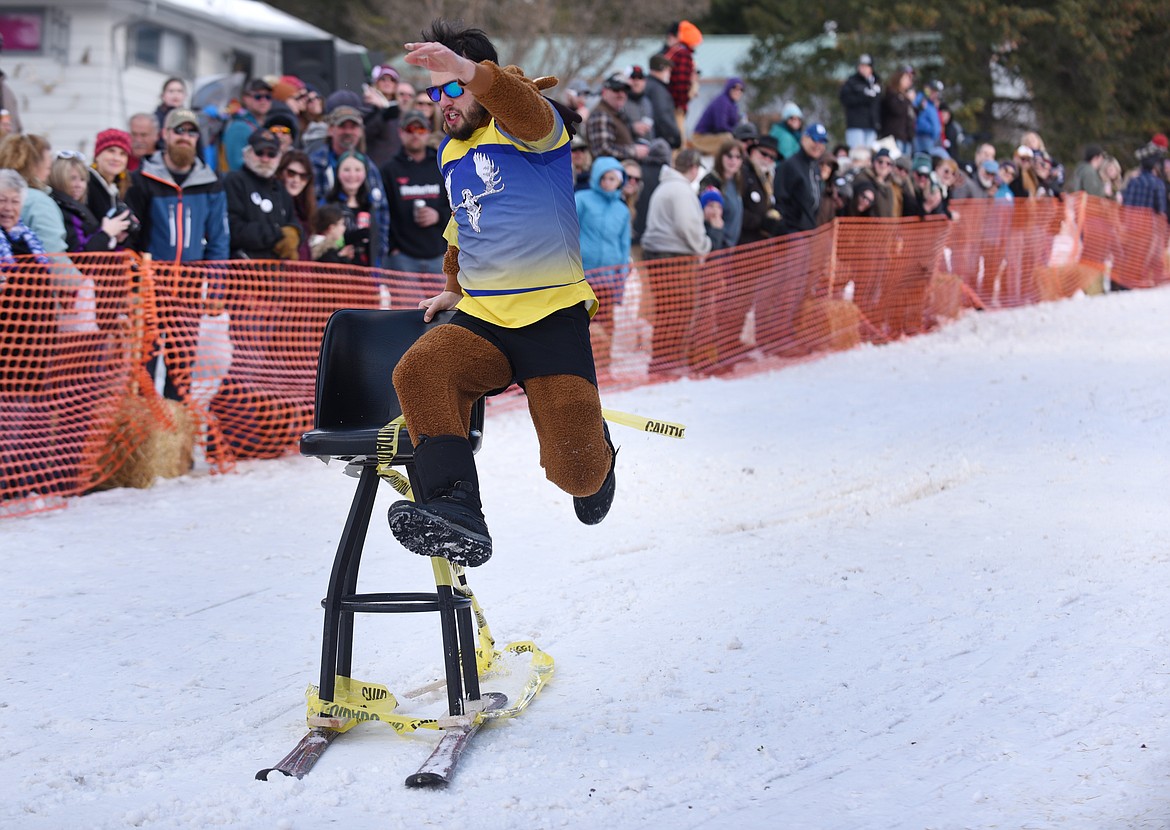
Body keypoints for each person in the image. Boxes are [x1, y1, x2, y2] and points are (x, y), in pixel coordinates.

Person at [383, 19, 615, 568]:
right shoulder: (449, 153)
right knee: (420, 370)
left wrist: (468, 70)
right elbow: (462, 227)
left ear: (478, 78)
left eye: (452, 87)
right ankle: (456, 508)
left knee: (576, 473)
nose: (442, 101)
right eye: (434, 92)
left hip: (551, 313)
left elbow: (521, 105)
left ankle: (595, 449)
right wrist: (451, 289)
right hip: (485, 315)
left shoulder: (532, 127)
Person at [126, 108, 229, 264]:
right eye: (179, 130)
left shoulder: (210, 183)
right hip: (151, 279)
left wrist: (215, 284)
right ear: (165, 134)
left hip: (192, 281)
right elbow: (131, 235)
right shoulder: (143, 178)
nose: (185, 137)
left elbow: (219, 240)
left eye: (192, 132)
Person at [640, 147, 710, 373]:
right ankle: (666, 362)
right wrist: (703, 247)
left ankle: (663, 361)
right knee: (678, 310)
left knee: (667, 310)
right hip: (674, 258)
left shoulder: (666, 186)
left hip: (660, 255)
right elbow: (686, 225)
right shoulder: (681, 190)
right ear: (693, 168)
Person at [308, 102, 391, 255]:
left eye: (353, 127)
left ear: (360, 131)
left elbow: (381, 211)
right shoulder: (315, 163)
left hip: (367, 257)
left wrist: (380, 250)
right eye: (342, 126)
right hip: (327, 254)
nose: (348, 131)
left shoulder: (369, 167)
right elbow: (312, 211)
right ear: (330, 130)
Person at [575, 155, 632, 371]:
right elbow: (569, 230)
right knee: (582, 321)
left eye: (614, 179)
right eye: (605, 178)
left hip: (608, 278)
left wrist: (621, 278)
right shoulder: (582, 199)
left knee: (607, 322)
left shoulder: (622, 210)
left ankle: (604, 364)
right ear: (598, 177)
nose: (609, 183)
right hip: (583, 276)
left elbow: (624, 244)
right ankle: (580, 365)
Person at [381, 110, 450, 276]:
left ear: (427, 133)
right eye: (410, 130)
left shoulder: (441, 165)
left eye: (420, 130)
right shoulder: (389, 169)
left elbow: (458, 204)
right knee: (407, 304)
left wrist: (438, 216)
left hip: (439, 254)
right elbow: (383, 212)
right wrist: (392, 249)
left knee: (444, 303)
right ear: (400, 133)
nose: (415, 135)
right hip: (403, 258)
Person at [223, 129, 299, 260]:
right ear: (247, 153)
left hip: (276, 273)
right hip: (242, 271)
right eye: (259, 153)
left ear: (279, 157)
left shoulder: (280, 188)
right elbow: (233, 228)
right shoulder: (234, 182)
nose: (265, 159)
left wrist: (296, 234)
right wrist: (277, 235)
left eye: (271, 154)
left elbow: (293, 222)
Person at [48, 154, 131, 252]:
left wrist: (116, 239)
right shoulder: (62, 211)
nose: (79, 185)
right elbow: (79, 254)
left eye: (82, 179)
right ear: (58, 179)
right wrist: (106, 234)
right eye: (72, 178)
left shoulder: (78, 208)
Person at [0, 134, 67, 253]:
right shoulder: (38, 202)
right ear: (34, 166)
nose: (49, 173)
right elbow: (54, 253)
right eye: (48, 167)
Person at [322, 150, 386, 269]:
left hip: (366, 272)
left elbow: (379, 240)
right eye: (346, 170)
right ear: (338, 173)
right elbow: (321, 241)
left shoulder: (371, 205)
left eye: (357, 170)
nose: (352, 175)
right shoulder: (328, 204)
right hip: (338, 272)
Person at [776, 123, 828, 235]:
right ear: (804, 139)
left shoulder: (814, 167)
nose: (818, 145)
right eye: (815, 139)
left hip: (809, 230)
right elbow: (780, 199)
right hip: (793, 231)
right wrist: (787, 227)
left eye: (822, 141)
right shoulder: (789, 165)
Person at [584, 74, 648, 162]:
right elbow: (603, 151)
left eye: (625, 90)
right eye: (616, 89)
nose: (621, 94)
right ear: (604, 92)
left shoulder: (615, 113)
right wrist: (634, 151)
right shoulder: (601, 114)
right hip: (610, 174)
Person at [698, 139, 745, 248]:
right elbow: (707, 215)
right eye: (729, 156)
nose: (733, 161)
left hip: (732, 246)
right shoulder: (711, 180)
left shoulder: (737, 181)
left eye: (738, 157)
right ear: (720, 157)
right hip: (716, 245)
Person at [220, 78, 273, 172]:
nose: (264, 100)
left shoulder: (261, 125)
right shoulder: (240, 127)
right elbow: (236, 165)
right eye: (258, 97)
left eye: (268, 97)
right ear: (245, 99)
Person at [85, 128, 134, 228]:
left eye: (122, 154)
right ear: (97, 155)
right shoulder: (86, 184)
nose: (116, 158)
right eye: (111, 151)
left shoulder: (114, 188)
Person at [739, 135, 782, 245]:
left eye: (772, 158)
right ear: (752, 151)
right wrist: (760, 222)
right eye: (764, 154)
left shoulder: (770, 180)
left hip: (762, 246)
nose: (767, 160)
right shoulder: (742, 174)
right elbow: (735, 210)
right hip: (742, 243)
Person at [662, 21, 702, 139]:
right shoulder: (683, 54)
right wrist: (683, 101)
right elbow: (681, 82)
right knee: (678, 140)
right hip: (676, 106)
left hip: (670, 103)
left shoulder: (673, 52)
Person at [276, 149, 316, 260]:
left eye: (303, 176)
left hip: (304, 273)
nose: (296, 180)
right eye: (291, 173)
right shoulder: (274, 205)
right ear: (280, 172)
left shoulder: (305, 209)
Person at [363, 63, 403, 168]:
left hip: (397, 167)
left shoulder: (400, 108)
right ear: (376, 82)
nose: (388, 83)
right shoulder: (367, 106)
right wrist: (380, 111)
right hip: (375, 164)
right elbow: (366, 133)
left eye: (392, 80)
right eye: (383, 79)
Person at [691, 77, 744, 155]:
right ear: (728, 88)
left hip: (713, 137)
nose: (738, 91)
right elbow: (721, 126)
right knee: (728, 138)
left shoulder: (733, 105)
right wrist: (736, 132)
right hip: (700, 138)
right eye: (735, 88)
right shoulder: (722, 101)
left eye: (741, 89)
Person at [839, 54, 881, 150]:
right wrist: (864, 96)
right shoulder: (852, 82)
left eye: (866, 66)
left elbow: (878, 106)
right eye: (861, 66)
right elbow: (845, 99)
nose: (864, 69)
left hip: (871, 125)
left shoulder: (876, 82)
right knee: (857, 152)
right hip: (856, 124)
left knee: (868, 154)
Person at [643, 54, 681, 150]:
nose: (669, 73)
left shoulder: (647, 84)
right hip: (660, 140)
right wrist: (675, 135)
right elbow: (662, 115)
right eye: (668, 70)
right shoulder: (658, 89)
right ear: (661, 68)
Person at [881, 69, 916, 157]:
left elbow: (912, 115)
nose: (908, 81)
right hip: (895, 135)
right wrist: (908, 100)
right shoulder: (891, 93)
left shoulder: (905, 96)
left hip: (906, 136)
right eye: (906, 78)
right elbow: (897, 110)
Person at [1120, 153, 1167, 218]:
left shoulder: (1133, 181)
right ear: (1154, 167)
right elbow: (1160, 207)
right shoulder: (1158, 184)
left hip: (1132, 221)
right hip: (1149, 222)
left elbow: (1126, 202)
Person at [914, 80, 944, 153]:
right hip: (923, 138)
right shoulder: (921, 100)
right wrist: (931, 129)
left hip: (932, 139)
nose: (936, 94)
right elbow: (918, 119)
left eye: (937, 92)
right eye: (934, 91)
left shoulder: (931, 104)